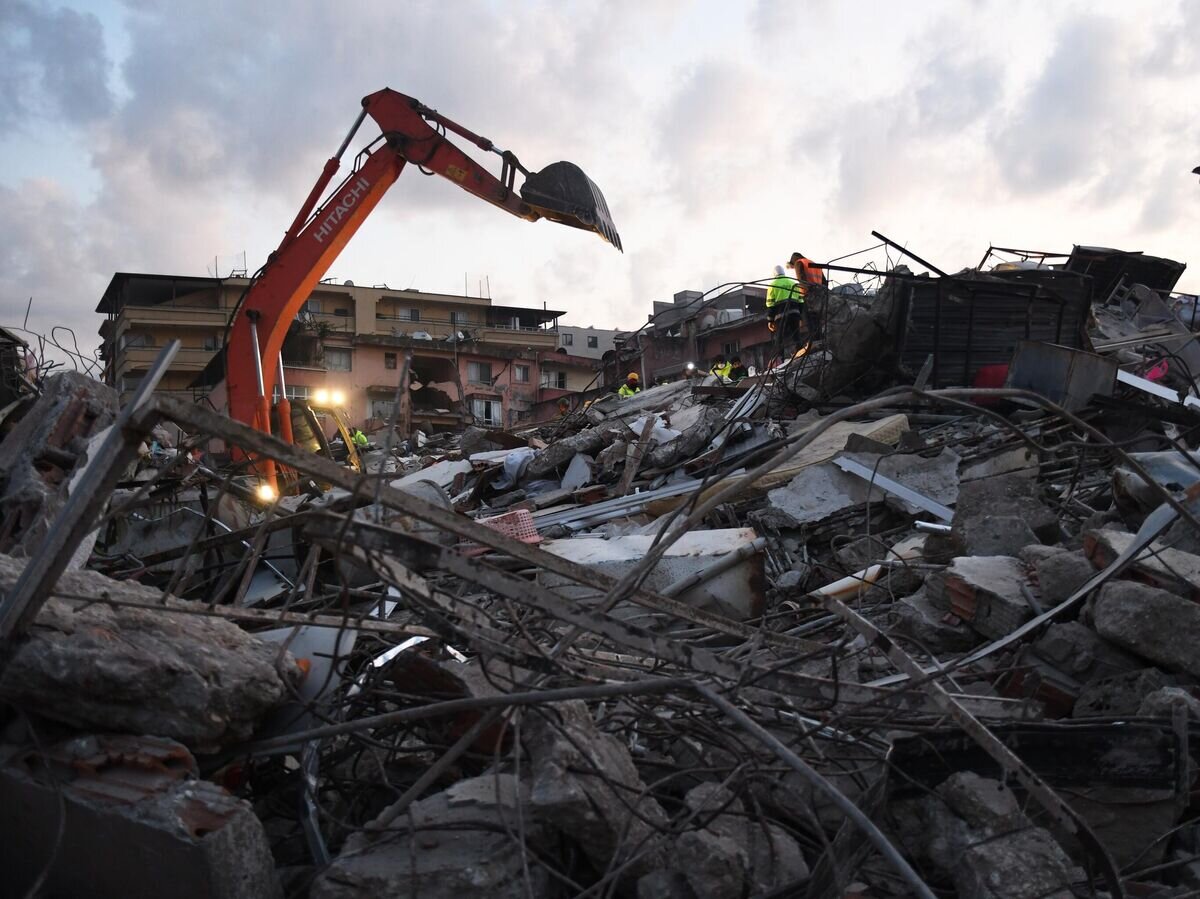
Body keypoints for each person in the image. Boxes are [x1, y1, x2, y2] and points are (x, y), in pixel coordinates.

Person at [766, 263, 807, 351]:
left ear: (774, 274)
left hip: (781, 316)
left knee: (779, 339)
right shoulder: (793, 283)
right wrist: (800, 317)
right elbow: (801, 301)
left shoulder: (772, 285)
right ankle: (800, 352)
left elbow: (770, 305)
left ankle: (780, 358)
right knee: (797, 336)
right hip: (795, 314)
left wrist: (770, 320)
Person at [789, 251, 827, 337]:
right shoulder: (813, 263)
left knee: (809, 320)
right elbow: (824, 282)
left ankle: (815, 341)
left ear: (793, 261)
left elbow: (802, 280)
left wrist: (808, 293)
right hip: (820, 295)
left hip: (809, 296)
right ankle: (820, 339)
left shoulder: (798, 263)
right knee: (818, 320)